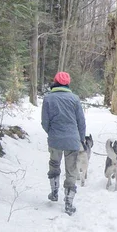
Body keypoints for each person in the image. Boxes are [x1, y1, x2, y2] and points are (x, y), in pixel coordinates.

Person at [41, 71, 86, 215]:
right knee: (71, 170)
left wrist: (51, 133)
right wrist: (81, 138)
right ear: (68, 83)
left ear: (55, 82)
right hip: (72, 140)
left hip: (55, 138)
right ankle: (68, 202)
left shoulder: (48, 99)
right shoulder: (75, 99)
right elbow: (81, 122)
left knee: (54, 164)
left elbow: (44, 122)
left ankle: (54, 193)